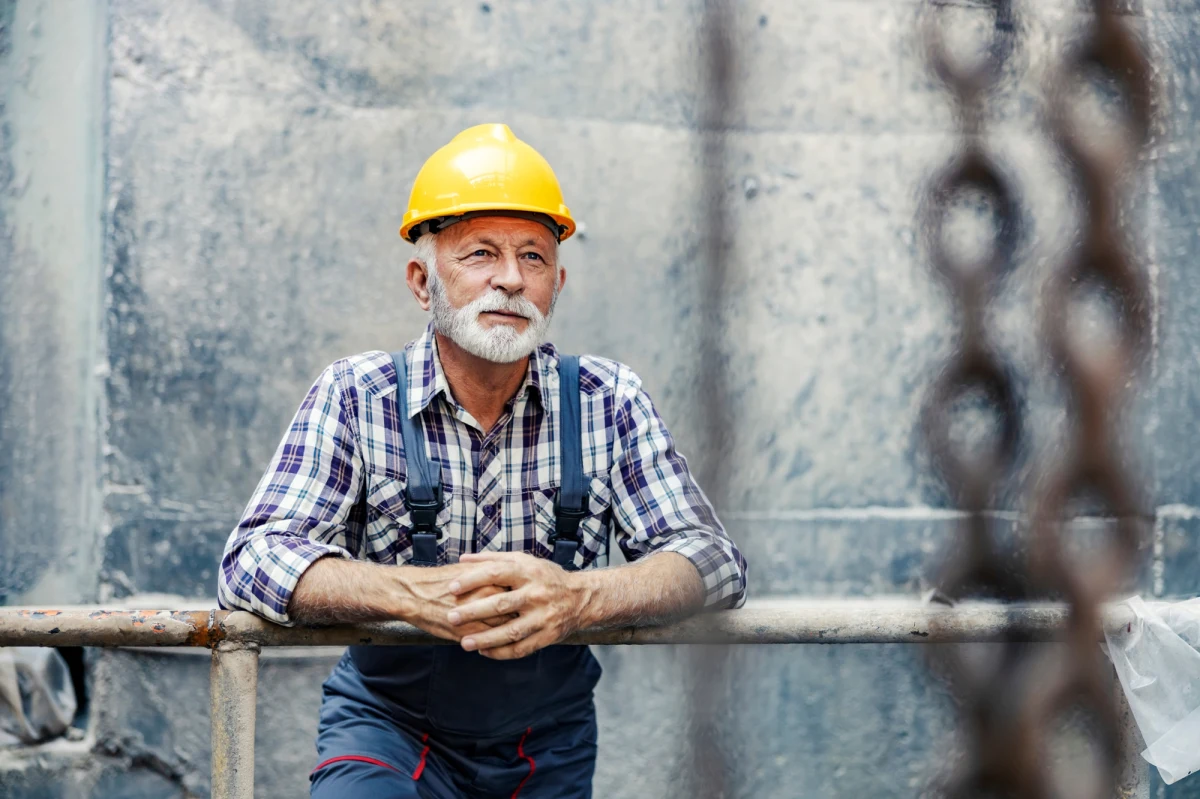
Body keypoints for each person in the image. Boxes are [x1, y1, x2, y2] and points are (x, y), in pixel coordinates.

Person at [218, 123, 748, 798]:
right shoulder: (355, 395)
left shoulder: (607, 398)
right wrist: (404, 592)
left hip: (544, 744)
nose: (510, 279)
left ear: (559, 281)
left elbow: (713, 558)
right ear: (421, 279)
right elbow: (251, 559)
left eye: (533, 256)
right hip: (388, 729)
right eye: (480, 254)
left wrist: (581, 597)